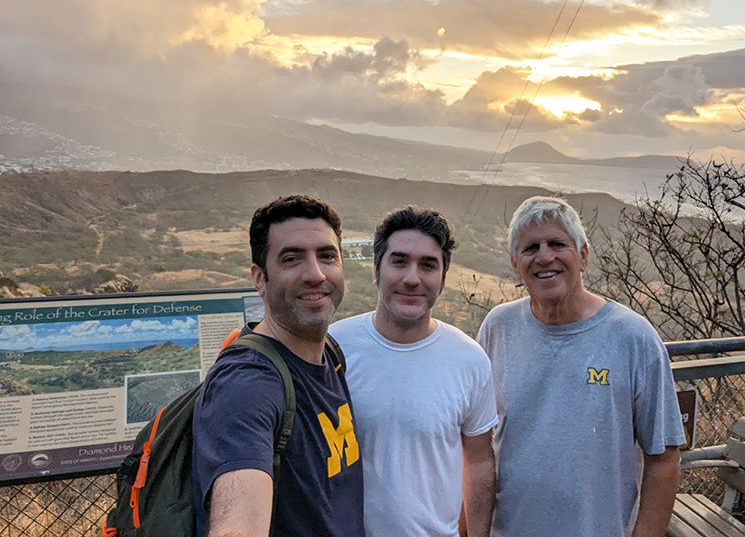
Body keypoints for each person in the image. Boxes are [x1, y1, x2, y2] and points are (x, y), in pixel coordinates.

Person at [477, 196, 685, 537]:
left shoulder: (633, 337)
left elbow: (664, 459)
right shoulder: (498, 328)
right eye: (531, 248)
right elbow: (477, 449)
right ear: (516, 264)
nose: (545, 257)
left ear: (583, 255)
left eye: (558, 244)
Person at [192, 195, 365, 537]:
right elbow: (237, 527)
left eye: (327, 256)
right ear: (260, 279)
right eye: (291, 259)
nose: (315, 273)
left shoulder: (330, 354)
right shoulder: (245, 386)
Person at [329, 205, 498, 537]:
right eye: (399, 261)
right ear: (376, 270)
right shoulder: (333, 349)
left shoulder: (469, 360)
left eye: (428, 265)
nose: (412, 278)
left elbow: (479, 461)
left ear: (442, 278)